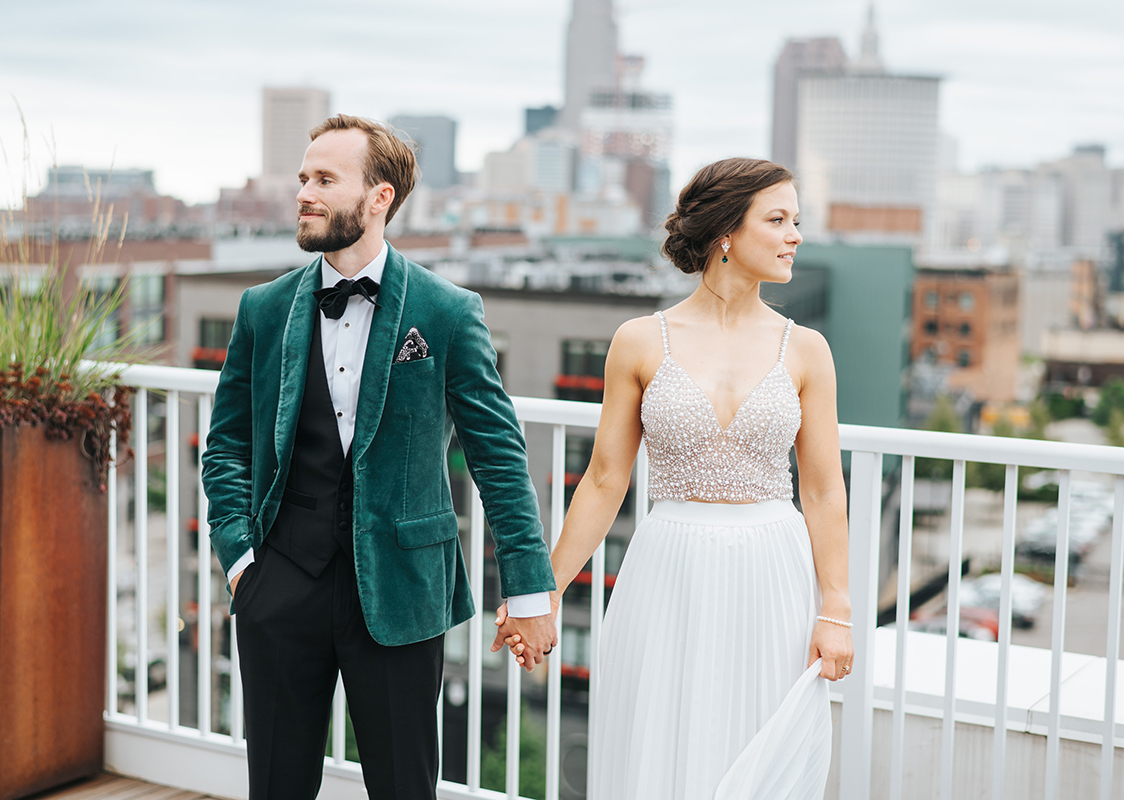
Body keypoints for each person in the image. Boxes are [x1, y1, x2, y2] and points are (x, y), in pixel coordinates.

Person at [202, 114, 558, 800]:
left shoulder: (448, 311)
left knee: (403, 786)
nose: (304, 191)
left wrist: (529, 587)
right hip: (280, 585)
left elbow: (499, 456)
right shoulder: (262, 309)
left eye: (324, 179)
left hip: (401, 592)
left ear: (379, 198)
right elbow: (225, 445)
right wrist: (242, 560)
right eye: (303, 177)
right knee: (275, 783)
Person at [494, 158, 853, 799]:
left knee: (759, 750)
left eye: (796, 220)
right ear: (725, 232)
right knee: (659, 751)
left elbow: (825, 490)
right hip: (668, 567)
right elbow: (604, 480)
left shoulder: (807, 349)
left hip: (772, 572)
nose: (796, 234)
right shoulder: (638, 341)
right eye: (777, 220)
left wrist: (837, 610)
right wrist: (542, 594)